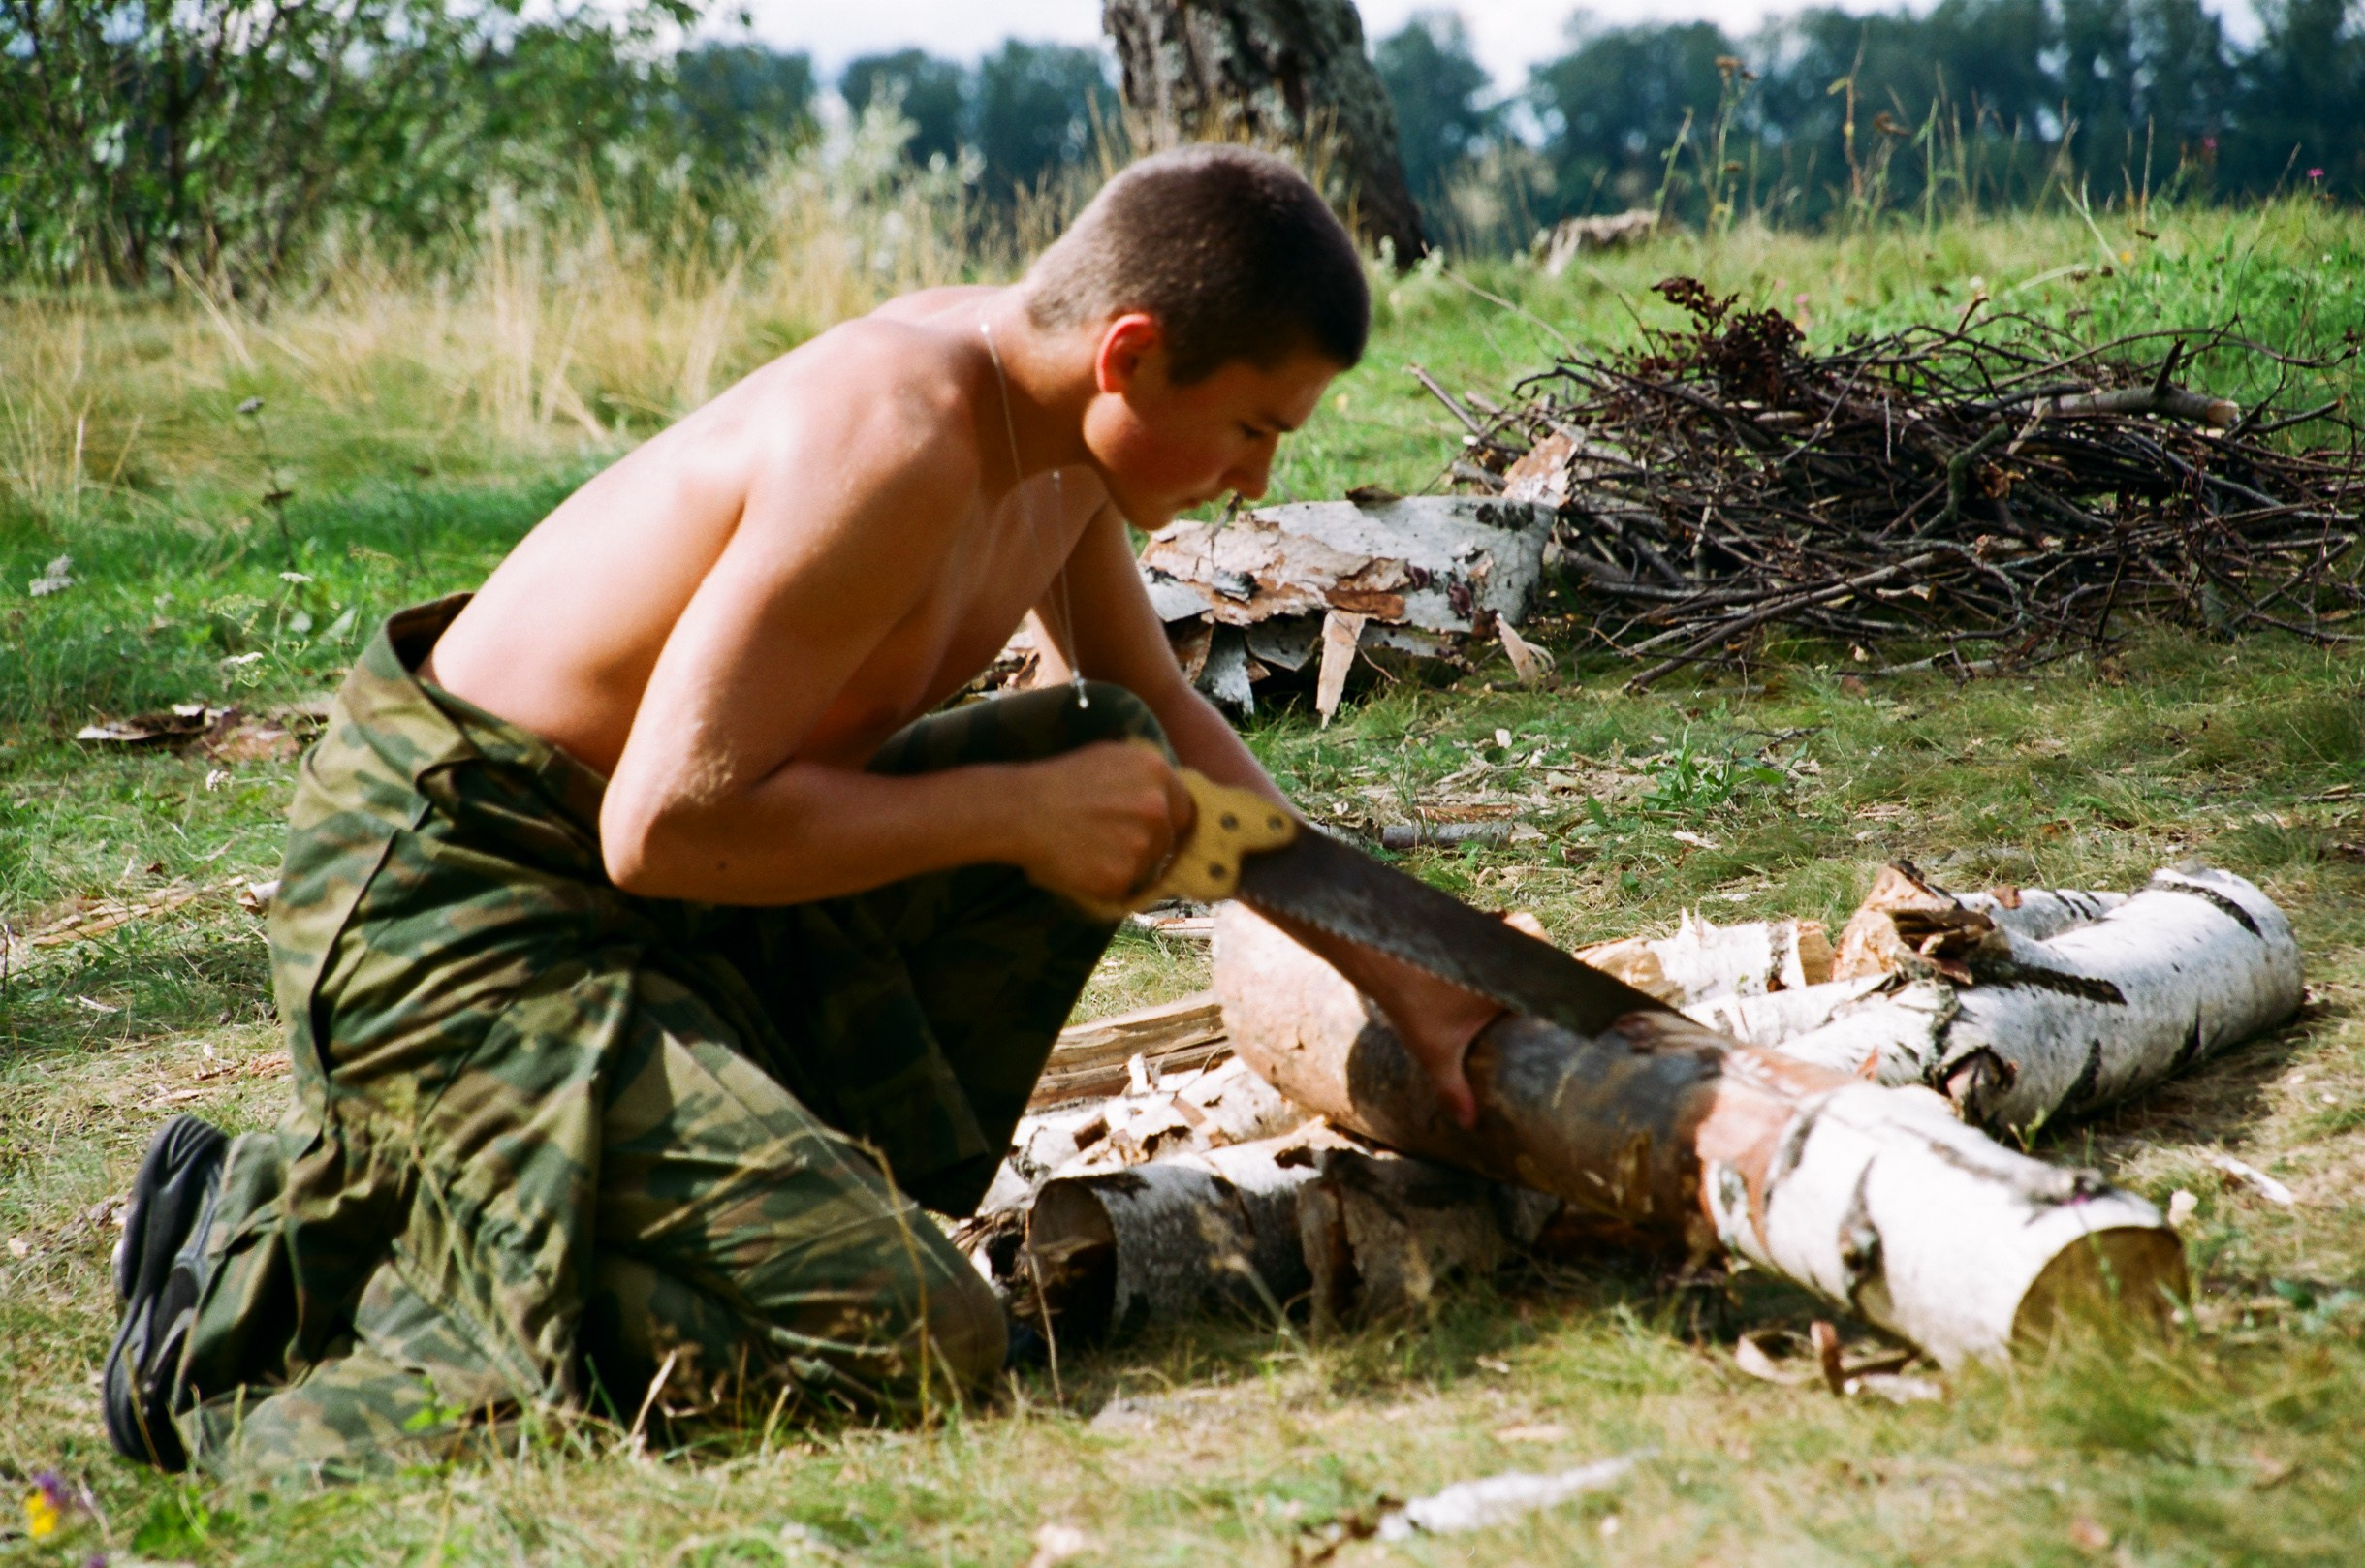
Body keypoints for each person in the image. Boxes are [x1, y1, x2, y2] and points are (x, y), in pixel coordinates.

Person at [103, 145, 1501, 1480]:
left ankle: (663, 1197)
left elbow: (1177, 741)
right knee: (920, 1333)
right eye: (1255, 424)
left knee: (1111, 742)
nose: (1261, 477)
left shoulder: (1054, 442)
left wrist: (1408, 979)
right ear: (1128, 354)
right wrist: (1013, 816)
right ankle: (252, 1305)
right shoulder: (899, 434)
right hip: (458, 907)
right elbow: (655, 822)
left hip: (663, 903)